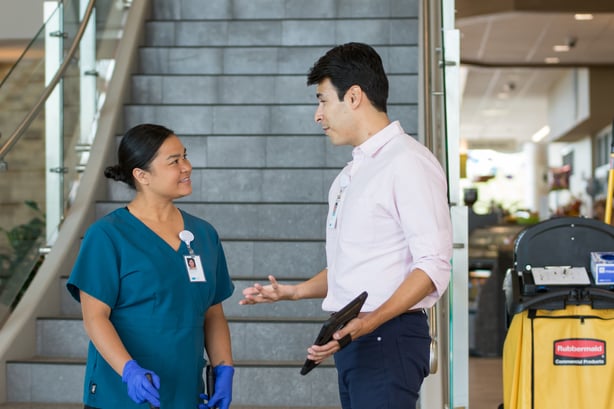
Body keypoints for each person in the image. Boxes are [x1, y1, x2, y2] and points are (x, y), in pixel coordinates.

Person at [240, 42, 452, 409]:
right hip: (359, 337)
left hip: (388, 336)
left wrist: (370, 323)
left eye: (323, 100)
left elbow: (433, 266)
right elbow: (355, 264)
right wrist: (294, 292)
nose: (318, 115)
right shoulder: (351, 174)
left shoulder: (408, 162)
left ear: (353, 96)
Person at [66, 124, 235, 409]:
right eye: (174, 161)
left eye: (185, 156)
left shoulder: (203, 234)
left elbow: (213, 313)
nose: (187, 167)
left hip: (185, 393)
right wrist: (128, 370)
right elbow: (95, 317)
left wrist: (224, 368)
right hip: (119, 395)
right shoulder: (108, 235)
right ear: (141, 175)